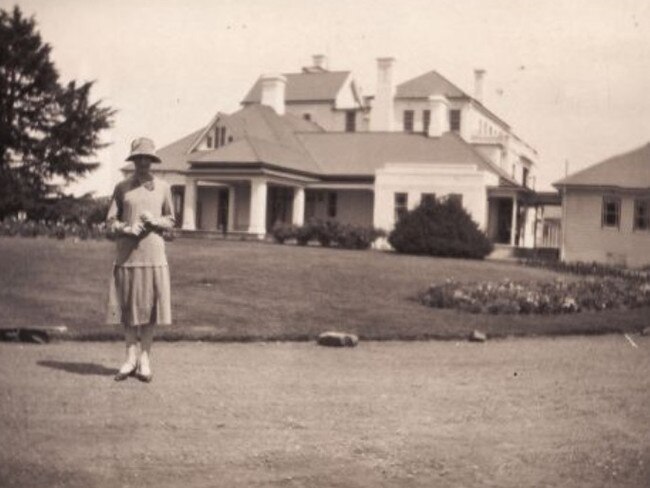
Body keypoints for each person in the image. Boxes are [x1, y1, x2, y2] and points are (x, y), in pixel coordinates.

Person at [106, 137, 175, 383]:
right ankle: (130, 358)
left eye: (147, 158)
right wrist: (127, 228)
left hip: (154, 255)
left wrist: (156, 222)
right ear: (133, 161)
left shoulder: (164, 187)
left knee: (150, 310)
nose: (143, 162)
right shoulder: (121, 187)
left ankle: (145, 359)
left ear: (153, 161)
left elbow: (171, 222)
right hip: (128, 256)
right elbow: (109, 223)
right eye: (138, 158)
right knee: (128, 309)